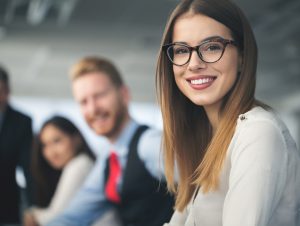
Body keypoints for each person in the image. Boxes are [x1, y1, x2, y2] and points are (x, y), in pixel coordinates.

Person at [156, 0, 300, 225]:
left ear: (242, 56)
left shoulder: (257, 132)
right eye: (182, 50)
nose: (194, 64)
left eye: (212, 46)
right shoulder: (209, 139)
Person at [47, 56, 174, 226]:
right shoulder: (108, 162)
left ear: (124, 95)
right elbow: (71, 217)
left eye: (99, 95)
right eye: (84, 102)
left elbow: (203, 185)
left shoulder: (148, 144)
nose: (93, 109)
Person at [23, 115, 95, 226]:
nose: (51, 152)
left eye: (57, 141)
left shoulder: (79, 164)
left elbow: (56, 217)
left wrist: (33, 214)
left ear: (77, 139)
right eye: (45, 145)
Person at [0, 66, 33, 226]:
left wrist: (32, 207)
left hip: (7, 202)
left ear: (7, 91)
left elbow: (28, 167)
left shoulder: (22, 122)